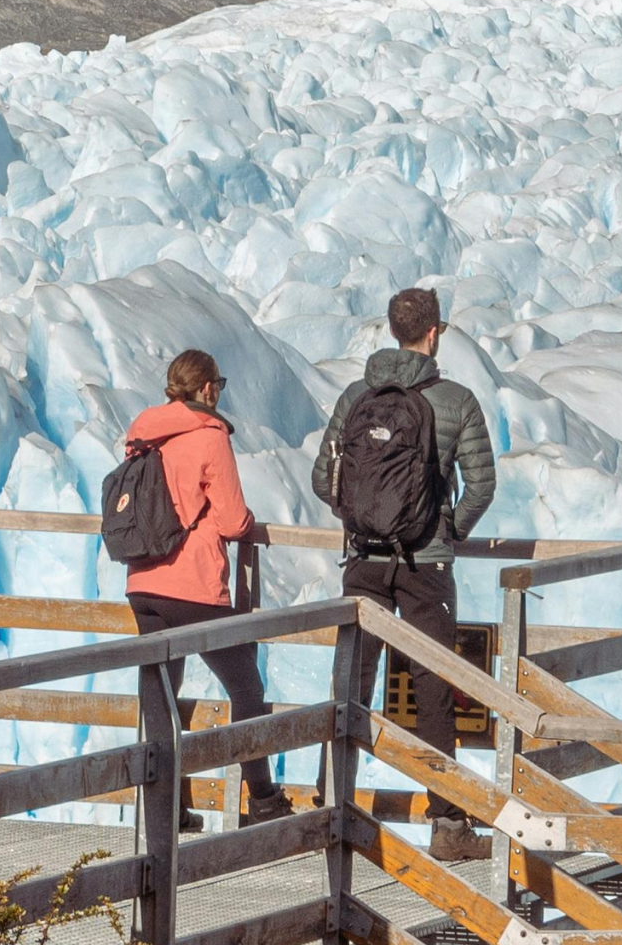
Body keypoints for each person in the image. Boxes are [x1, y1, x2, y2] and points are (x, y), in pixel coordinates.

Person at [312, 286, 497, 863]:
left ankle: (332, 805)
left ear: (391, 331)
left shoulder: (355, 396)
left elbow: (325, 480)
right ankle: (447, 825)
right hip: (425, 564)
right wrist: (445, 528)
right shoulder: (457, 400)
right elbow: (482, 486)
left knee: (351, 684)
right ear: (435, 332)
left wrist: (363, 518)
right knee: (433, 689)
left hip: (363, 561)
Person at [124, 350, 295, 829]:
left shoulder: (143, 433)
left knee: (160, 692)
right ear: (206, 390)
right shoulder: (209, 436)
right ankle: (261, 797)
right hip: (193, 585)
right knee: (245, 684)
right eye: (217, 384)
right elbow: (232, 518)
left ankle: (169, 807)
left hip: (142, 582)